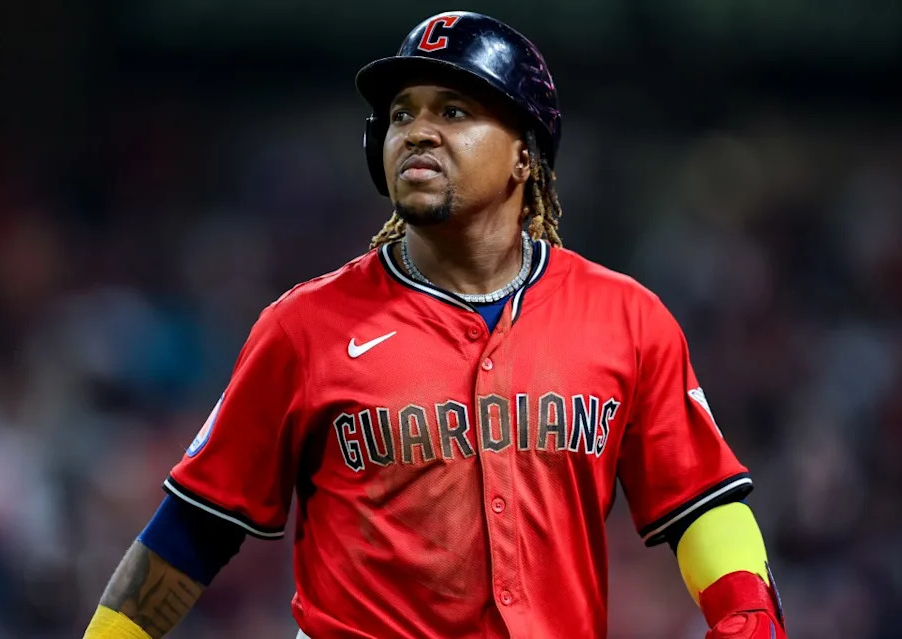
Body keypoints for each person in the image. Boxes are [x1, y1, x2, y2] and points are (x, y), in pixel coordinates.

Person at [82, 11, 787, 639]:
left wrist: (744, 609)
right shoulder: (305, 326)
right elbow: (194, 527)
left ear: (523, 155)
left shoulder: (625, 318)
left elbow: (699, 499)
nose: (417, 131)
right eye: (400, 115)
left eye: (453, 111)